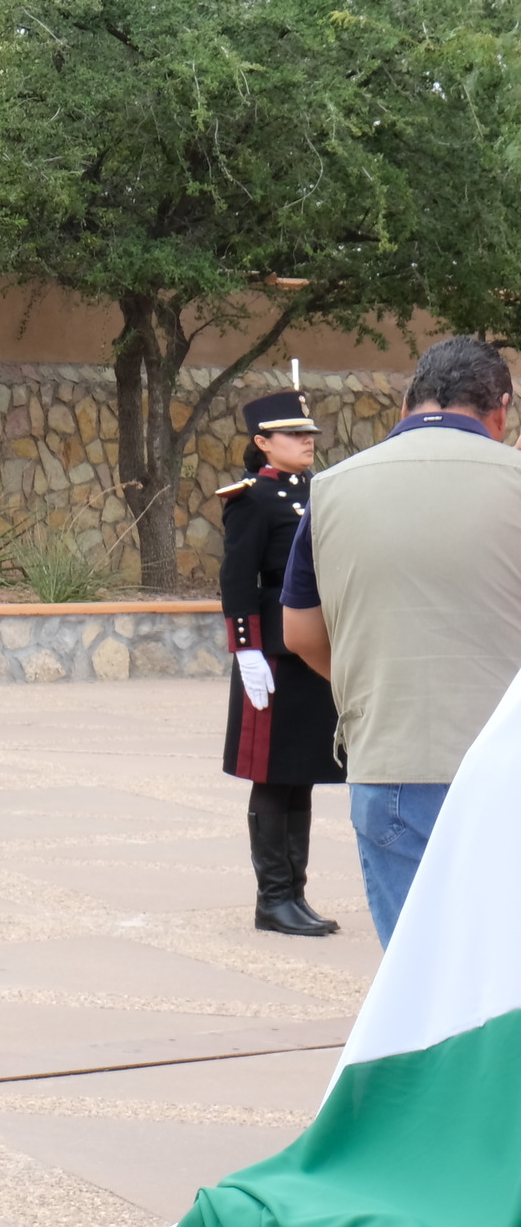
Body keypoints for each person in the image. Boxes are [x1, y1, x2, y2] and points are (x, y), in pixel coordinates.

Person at [281, 335, 521, 942]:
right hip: (505, 764)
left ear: (405, 404)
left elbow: (300, 630)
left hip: (390, 759)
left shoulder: (331, 490)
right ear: (502, 408)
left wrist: (376, 685)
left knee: (417, 985)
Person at [215, 388, 341, 937]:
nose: (307, 442)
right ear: (262, 443)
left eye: (309, 433)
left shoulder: (321, 493)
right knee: (271, 776)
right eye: (294, 435)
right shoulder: (252, 500)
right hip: (270, 652)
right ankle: (273, 899)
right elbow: (237, 579)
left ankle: (296, 893)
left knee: (303, 773)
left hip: (309, 650)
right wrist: (246, 649)